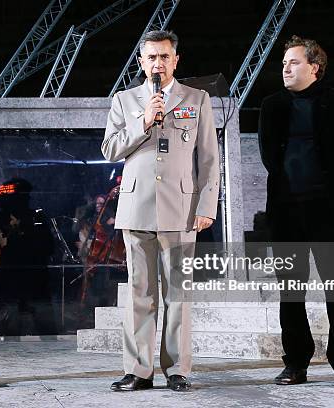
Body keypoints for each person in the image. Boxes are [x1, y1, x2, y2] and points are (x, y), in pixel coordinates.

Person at [103, 30, 220, 392]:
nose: (158, 63)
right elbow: (110, 149)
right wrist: (143, 121)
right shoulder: (125, 100)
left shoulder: (197, 99)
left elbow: (209, 159)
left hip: (181, 210)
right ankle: (138, 370)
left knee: (178, 294)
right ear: (141, 61)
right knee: (140, 292)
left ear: (176, 60)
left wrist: (206, 206)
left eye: (164, 56)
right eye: (151, 57)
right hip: (137, 208)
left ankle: (177, 369)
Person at [258, 35, 334, 387]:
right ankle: (296, 364)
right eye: (284, 63)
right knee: (291, 291)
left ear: (314, 67)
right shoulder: (271, 105)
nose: (285, 68)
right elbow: (268, 157)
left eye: (293, 62)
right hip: (286, 212)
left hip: (329, 212)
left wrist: (333, 187)